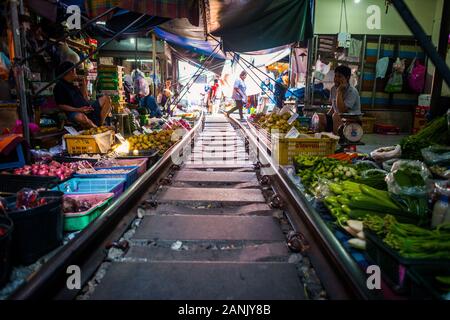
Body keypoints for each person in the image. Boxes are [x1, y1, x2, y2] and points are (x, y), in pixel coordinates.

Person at [53, 61, 111, 129]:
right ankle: (97, 129)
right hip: (74, 111)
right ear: (71, 71)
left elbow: (85, 98)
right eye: (75, 71)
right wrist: (79, 109)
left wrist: (84, 83)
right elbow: (61, 106)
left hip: (85, 108)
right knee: (82, 118)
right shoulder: (59, 86)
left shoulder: (73, 84)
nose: (76, 73)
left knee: (107, 99)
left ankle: (100, 125)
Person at [326, 65, 361, 134]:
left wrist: (339, 91)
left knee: (335, 116)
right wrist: (326, 117)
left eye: (339, 77)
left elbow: (342, 111)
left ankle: (338, 139)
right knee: (320, 117)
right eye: (335, 76)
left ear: (347, 78)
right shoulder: (333, 89)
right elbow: (334, 107)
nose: (336, 79)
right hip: (337, 117)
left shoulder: (352, 91)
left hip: (351, 120)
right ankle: (326, 139)